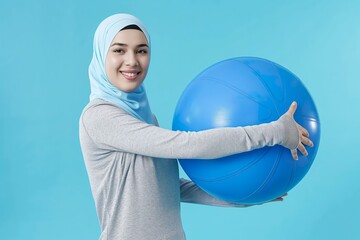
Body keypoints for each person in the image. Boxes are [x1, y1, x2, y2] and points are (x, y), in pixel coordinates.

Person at [79, 13, 313, 240]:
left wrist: (244, 194)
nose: (132, 60)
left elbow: (166, 188)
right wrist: (276, 132)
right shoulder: (99, 117)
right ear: (101, 55)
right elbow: (188, 145)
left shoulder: (145, 117)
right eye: (119, 50)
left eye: (141, 50)